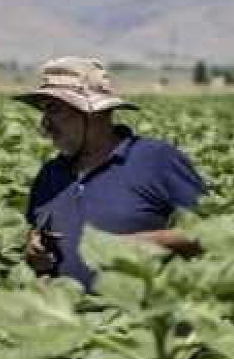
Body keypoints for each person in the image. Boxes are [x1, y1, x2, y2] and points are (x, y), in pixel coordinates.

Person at [13, 56, 205, 290]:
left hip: (136, 321)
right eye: (44, 110)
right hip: (62, 319)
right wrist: (32, 251)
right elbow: (36, 233)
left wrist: (152, 242)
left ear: (94, 114)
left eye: (55, 109)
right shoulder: (50, 175)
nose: (45, 123)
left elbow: (213, 236)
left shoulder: (155, 159)